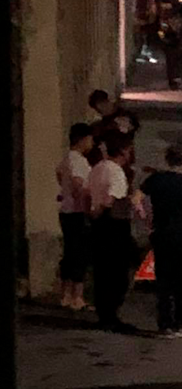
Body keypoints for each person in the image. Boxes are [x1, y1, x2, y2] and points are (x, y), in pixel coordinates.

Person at [135, 146, 182, 337]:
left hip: (162, 233)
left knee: (163, 279)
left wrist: (145, 217)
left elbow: (136, 199)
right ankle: (180, 322)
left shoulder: (155, 179)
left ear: (166, 159)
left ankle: (164, 323)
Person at [88, 132, 138, 333]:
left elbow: (85, 193)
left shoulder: (98, 168)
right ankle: (111, 314)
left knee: (101, 270)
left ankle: (103, 313)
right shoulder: (116, 172)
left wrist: (91, 214)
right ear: (124, 151)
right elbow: (111, 200)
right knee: (117, 271)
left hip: (98, 225)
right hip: (114, 225)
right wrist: (101, 211)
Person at [56, 123, 94, 310]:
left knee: (70, 253)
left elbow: (59, 177)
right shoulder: (78, 160)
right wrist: (89, 207)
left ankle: (65, 295)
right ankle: (77, 297)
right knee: (79, 254)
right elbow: (80, 186)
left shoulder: (66, 159)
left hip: (66, 210)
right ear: (83, 139)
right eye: (90, 139)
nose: (92, 143)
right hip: (77, 212)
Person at [88, 90, 140, 183]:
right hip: (109, 161)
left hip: (123, 158)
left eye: (101, 106)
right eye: (97, 109)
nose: (100, 110)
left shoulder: (124, 115)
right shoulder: (100, 125)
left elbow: (130, 127)